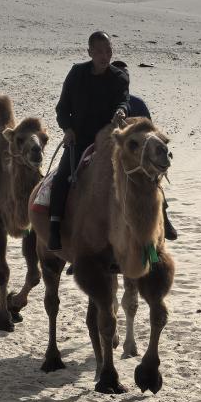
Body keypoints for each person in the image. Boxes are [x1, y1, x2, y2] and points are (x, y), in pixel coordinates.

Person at [48, 31, 130, 251]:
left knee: (138, 171)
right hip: (80, 138)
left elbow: (124, 101)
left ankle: (160, 216)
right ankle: (54, 226)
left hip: (109, 138)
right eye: (100, 52)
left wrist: (121, 111)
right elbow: (62, 108)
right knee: (63, 175)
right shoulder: (77, 74)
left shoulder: (119, 77)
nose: (105, 56)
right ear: (90, 53)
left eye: (109, 51)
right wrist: (67, 129)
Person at [111, 60, 177, 242]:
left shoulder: (137, 103)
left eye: (125, 76)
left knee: (155, 184)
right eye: (118, 76)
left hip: (137, 156)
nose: (123, 80)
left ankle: (163, 217)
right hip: (108, 153)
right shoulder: (102, 103)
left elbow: (150, 132)